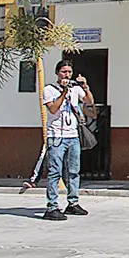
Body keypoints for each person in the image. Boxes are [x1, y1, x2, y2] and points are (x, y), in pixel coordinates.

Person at [41, 60, 95, 221]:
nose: (67, 75)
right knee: (55, 172)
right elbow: (52, 109)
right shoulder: (49, 89)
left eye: (69, 72)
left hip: (72, 135)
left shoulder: (75, 89)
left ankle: (73, 203)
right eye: (64, 72)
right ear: (57, 73)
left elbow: (89, 102)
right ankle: (52, 206)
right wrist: (64, 92)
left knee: (73, 171)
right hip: (56, 136)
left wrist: (85, 87)